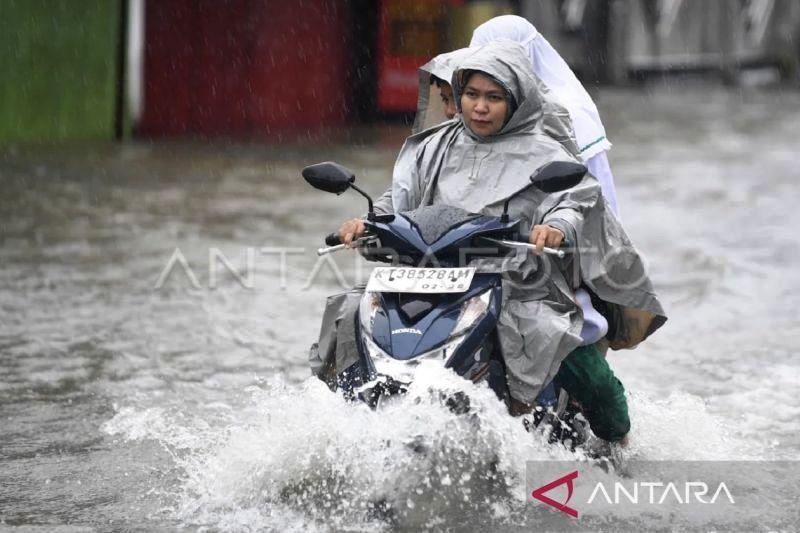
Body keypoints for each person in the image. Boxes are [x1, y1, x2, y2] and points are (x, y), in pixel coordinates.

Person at [323, 41, 666, 444]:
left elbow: (575, 198)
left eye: (493, 97)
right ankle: (341, 426)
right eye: (470, 95)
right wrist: (365, 224)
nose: (479, 107)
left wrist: (555, 225)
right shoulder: (431, 147)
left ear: (516, 100)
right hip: (427, 280)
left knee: (569, 356)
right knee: (350, 312)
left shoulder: (545, 151)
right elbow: (396, 201)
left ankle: (617, 444)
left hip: (517, 285)